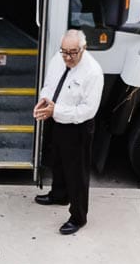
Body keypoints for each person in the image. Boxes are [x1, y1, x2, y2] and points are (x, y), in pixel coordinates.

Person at [33, 29, 104, 236]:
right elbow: (49, 84)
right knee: (57, 161)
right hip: (55, 118)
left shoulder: (93, 72)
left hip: (77, 126)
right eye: (64, 51)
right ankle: (59, 194)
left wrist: (56, 110)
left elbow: (88, 110)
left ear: (84, 48)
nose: (67, 57)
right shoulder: (58, 58)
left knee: (77, 173)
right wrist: (44, 100)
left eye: (73, 53)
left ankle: (78, 216)